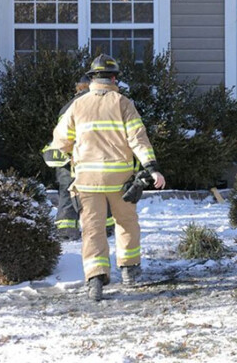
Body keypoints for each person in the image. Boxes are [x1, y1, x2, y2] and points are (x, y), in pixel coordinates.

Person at [50, 54, 166, 301]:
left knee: (92, 229)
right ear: (114, 78)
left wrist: (77, 150)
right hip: (121, 181)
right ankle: (129, 269)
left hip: (86, 181)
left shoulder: (77, 106)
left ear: (92, 78)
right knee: (126, 223)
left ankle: (95, 278)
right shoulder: (123, 103)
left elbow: (60, 141)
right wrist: (152, 167)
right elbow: (138, 139)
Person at [43, 75, 115, 241]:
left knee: (68, 192)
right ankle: (105, 227)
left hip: (66, 157)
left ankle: (66, 231)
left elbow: (61, 134)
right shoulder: (96, 103)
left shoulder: (68, 106)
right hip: (89, 156)